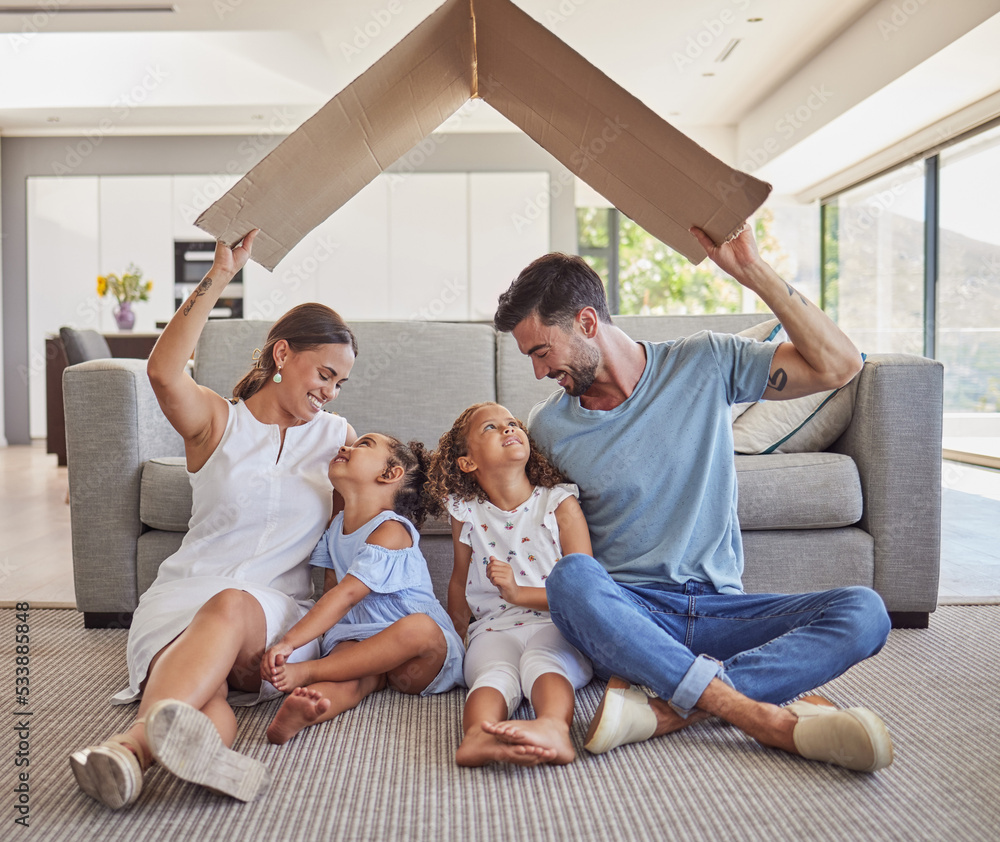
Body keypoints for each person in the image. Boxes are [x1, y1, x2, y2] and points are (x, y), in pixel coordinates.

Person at [490, 223, 895, 773]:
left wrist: (753, 272)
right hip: (633, 618)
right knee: (572, 580)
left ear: (587, 322)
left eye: (542, 351)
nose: (539, 371)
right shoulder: (549, 426)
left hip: (724, 608)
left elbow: (839, 366)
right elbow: (517, 513)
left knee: (865, 612)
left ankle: (663, 712)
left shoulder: (703, 362)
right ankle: (764, 719)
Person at [70, 229, 363, 809]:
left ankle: (127, 749)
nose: (330, 391)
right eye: (324, 373)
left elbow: (358, 529)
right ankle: (188, 760)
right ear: (283, 353)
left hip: (272, 615)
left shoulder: (338, 440)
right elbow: (163, 372)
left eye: (339, 382)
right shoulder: (217, 421)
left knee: (230, 606)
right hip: (182, 600)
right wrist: (220, 276)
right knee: (201, 706)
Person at [261, 433, 465, 745]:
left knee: (419, 628)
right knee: (350, 677)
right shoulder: (335, 529)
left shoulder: (391, 530)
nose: (346, 447)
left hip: (421, 657)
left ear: (389, 474)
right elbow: (331, 589)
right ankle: (307, 707)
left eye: (363, 444)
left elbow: (346, 595)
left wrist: (289, 644)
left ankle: (308, 672)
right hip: (360, 640)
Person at [428, 402, 594, 767]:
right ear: (468, 462)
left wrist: (519, 594)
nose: (508, 429)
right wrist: (458, 635)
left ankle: (554, 728)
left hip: (556, 625)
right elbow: (459, 581)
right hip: (492, 628)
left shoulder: (558, 503)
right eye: (490, 427)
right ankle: (478, 736)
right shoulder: (466, 511)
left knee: (541, 660)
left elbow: (587, 591)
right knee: (492, 674)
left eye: (512, 423)